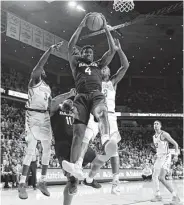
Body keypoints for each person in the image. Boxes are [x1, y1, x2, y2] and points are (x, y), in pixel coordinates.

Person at [63, 39, 129, 195]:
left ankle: (114, 182)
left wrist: (118, 50)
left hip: (109, 117)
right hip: (93, 109)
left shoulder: (113, 82)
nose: (104, 68)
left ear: (107, 72)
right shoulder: (93, 78)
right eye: (103, 67)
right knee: (84, 138)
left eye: (106, 68)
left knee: (112, 152)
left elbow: (125, 66)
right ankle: (79, 165)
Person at [62, 12, 117, 178]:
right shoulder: (75, 62)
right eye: (84, 51)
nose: (87, 52)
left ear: (93, 55)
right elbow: (70, 46)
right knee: (78, 134)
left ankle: (106, 140)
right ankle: (76, 166)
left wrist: (106, 27)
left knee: (102, 112)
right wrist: (81, 25)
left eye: (89, 52)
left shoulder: (99, 64)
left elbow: (112, 50)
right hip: (80, 97)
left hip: (96, 94)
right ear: (81, 54)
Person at [18, 42, 63, 199]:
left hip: (44, 116)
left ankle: (42, 181)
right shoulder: (34, 81)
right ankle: (22, 184)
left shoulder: (48, 88)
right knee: (30, 151)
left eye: (43, 69)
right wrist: (50, 50)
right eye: (40, 68)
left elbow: (51, 106)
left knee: (47, 149)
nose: (41, 69)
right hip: (32, 116)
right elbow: (39, 65)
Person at [50, 89, 101, 205]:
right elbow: (52, 103)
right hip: (63, 144)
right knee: (72, 180)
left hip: (77, 144)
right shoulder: (57, 108)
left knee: (98, 160)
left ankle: (89, 179)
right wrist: (68, 94)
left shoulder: (76, 110)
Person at [151, 120, 181, 205]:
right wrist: (156, 155)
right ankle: (158, 195)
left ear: (160, 126)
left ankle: (176, 197)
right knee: (154, 176)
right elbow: (159, 148)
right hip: (159, 157)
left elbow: (175, 144)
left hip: (166, 157)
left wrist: (176, 155)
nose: (155, 125)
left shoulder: (164, 134)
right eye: (154, 124)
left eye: (157, 124)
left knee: (161, 177)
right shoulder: (154, 136)